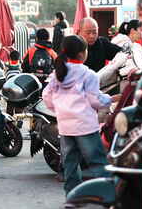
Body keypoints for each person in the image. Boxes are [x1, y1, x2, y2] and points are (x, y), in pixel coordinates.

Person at [42, 35, 117, 197]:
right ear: (83, 54)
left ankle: (72, 196)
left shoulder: (58, 74)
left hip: (65, 126)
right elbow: (95, 100)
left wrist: (59, 109)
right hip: (85, 126)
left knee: (70, 163)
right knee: (97, 161)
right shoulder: (88, 74)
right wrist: (109, 100)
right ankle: (107, 194)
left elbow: (46, 95)